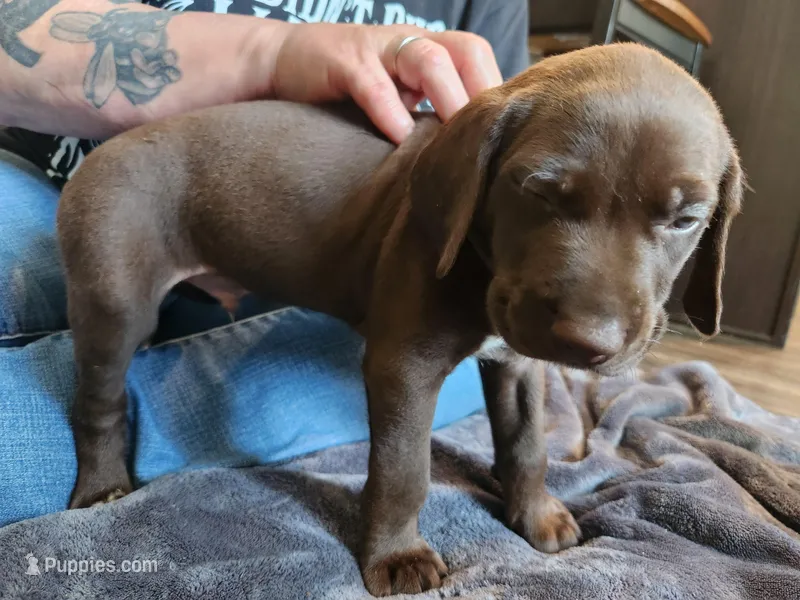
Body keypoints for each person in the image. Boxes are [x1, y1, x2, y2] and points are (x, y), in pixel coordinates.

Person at [0, 0, 530, 527]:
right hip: (102, 190)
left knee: (452, 356)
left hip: (355, 280)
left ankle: (136, 397)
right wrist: (270, 53)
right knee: (21, 461)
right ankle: (104, 414)